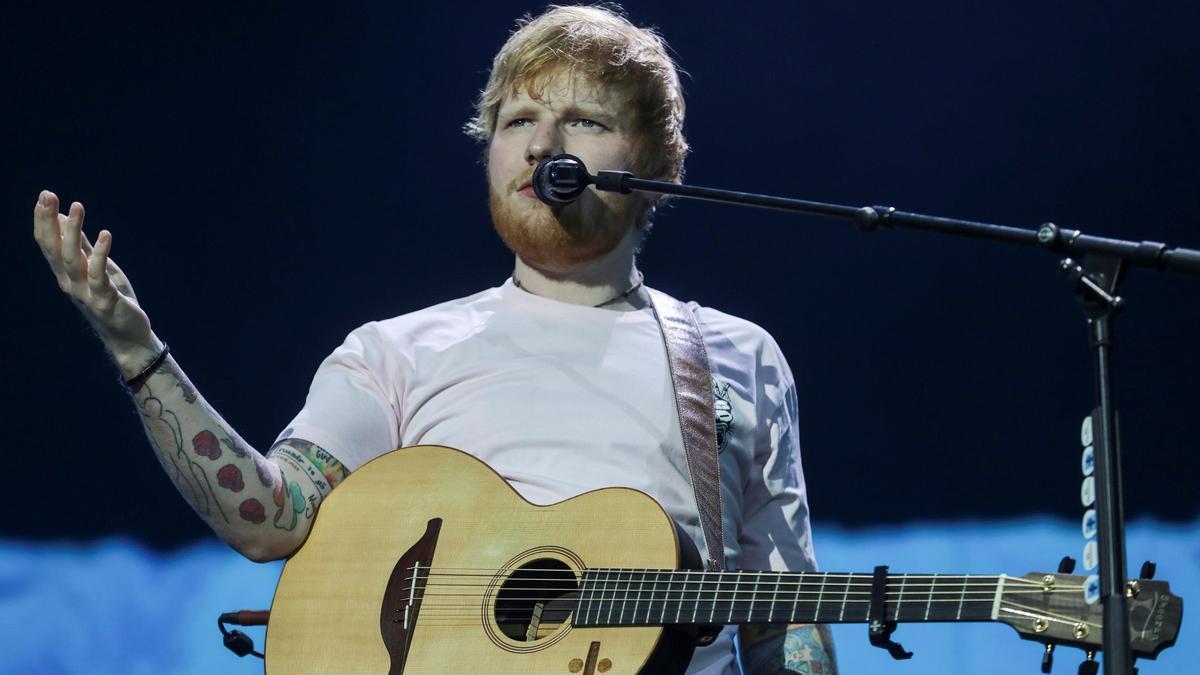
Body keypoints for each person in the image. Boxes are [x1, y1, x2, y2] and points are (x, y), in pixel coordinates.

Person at [32, 5, 836, 674]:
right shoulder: (396, 352)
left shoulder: (738, 356)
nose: (542, 145)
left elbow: (785, 620)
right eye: (518, 119)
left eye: (583, 120)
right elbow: (268, 519)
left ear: (655, 160)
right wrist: (139, 353)